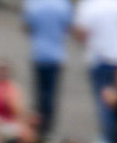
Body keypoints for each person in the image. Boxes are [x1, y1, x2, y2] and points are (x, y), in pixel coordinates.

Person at [75, 0, 117, 143]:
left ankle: (109, 140)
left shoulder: (87, 5)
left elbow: (80, 33)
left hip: (100, 59)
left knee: (105, 104)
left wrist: (92, 41)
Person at [25, 0, 75, 134]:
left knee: (39, 93)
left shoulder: (33, 4)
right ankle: (47, 126)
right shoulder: (64, 5)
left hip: (38, 54)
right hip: (57, 55)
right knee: (51, 93)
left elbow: (28, 27)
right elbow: (69, 27)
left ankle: (38, 123)